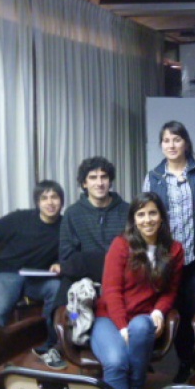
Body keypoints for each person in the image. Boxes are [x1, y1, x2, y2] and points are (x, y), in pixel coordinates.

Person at [143, 121, 195, 383]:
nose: (171, 145)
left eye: (176, 139)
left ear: (186, 143)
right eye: (166, 140)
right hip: (166, 257)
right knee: (172, 307)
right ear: (161, 145)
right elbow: (146, 218)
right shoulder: (153, 177)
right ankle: (182, 360)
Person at [91, 192, 184, 389]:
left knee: (142, 326)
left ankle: (134, 388)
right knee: (116, 363)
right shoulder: (121, 245)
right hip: (109, 317)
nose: (147, 219)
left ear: (162, 217)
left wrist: (159, 312)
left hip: (143, 317)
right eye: (141, 214)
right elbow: (111, 290)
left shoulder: (174, 249)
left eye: (153, 213)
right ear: (134, 219)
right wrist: (122, 327)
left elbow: (170, 291)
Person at [0, 180, 65, 360]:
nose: (50, 203)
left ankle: (46, 344)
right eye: (44, 198)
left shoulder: (66, 226)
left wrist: (60, 262)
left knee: (57, 288)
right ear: (37, 202)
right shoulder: (20, 219)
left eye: (54, 197)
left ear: (61, 201)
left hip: (36, 278)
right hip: (7, 272)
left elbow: (71, 251)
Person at [54, 156, 129, 369]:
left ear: (110, 181)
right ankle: (63, 342)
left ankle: (121, 351)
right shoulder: (73, 214)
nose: (99, 182)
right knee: (65, 302)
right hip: (83, 278)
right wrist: (103, 261)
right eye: (93, 177)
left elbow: (132, 253)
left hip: (119, 276)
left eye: (104, 177)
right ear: (84, 183)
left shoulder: (126, 211)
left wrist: (91, 260)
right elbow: (67, 257)